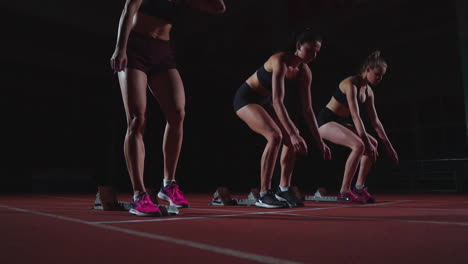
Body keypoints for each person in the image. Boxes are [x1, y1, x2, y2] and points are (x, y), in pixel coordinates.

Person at [110, 0, 226, 216]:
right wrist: (120, 47)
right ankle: (139, 195)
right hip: (134, 47)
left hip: (162, 51)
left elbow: (218, 7)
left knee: (178, 113)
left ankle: (168, 184)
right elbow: (129, 10)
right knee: (137, 119)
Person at [233, 29, 332, 208]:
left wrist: (320, 142)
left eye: (317, 51)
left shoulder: (304, 71)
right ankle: (264, 194)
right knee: (276, 136)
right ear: (298, 46)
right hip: (246, 99)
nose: (313, 55)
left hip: (265, 103)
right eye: (310, 50)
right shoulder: (280, 60)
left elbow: (308, 109)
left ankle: (283, 189)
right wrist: (292, 133)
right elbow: (278, 101)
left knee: (293, 135)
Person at [317, 51, 399, 203]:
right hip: (325, 121)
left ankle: (359, 187)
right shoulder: (351, 84)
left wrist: (389, 147)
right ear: (367, 69)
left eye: (382, 76)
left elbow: (375, 121)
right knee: (359, 145)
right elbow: (355, 116)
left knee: (373, 143)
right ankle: (344, 191)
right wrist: (366, 142)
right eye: (377, 74)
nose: (379, 78)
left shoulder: (368, 92)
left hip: (340, 122)